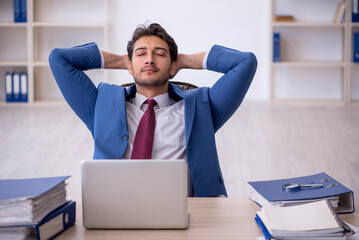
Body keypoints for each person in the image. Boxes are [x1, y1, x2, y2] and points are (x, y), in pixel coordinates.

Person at [49, 23, 257, 197]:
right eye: (141, 54)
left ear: (173, 67)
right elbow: (59, 59)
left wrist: (183, 60)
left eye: (160, 54)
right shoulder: (101, 105)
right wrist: (122, 61)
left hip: (186, 216)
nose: (150, 59)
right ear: (129, 66)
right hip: (116, 213)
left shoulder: (202, 108)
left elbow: (245, 62)